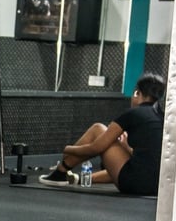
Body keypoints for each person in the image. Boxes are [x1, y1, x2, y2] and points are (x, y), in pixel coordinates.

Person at [38, 73, 166, 196]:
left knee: (98, 129)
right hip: (155, 186)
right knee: (131, 163)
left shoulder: (133, 113)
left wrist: (67, 148)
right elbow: (150, 157)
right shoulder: (162, 116)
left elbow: (96, 147)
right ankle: (77, 177)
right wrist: (126, 147)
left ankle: (61, 170)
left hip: (134, 183)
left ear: (137, 93)